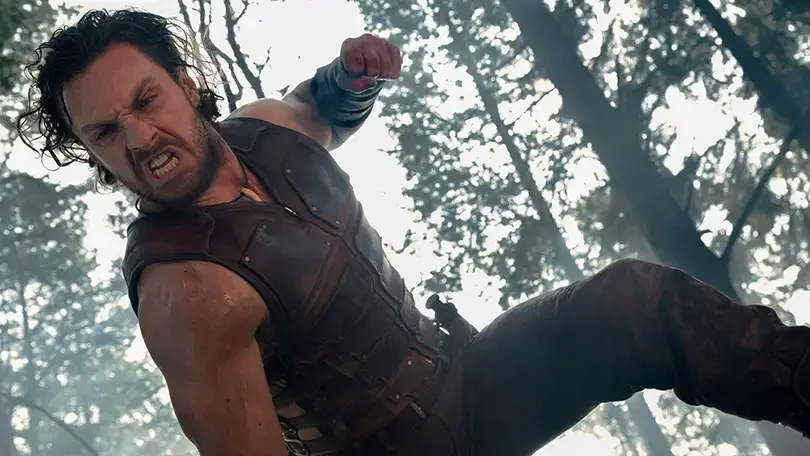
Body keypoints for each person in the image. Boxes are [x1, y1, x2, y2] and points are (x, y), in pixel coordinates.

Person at [17, 8, 810, 456]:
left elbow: (322, 109)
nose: (139, 139)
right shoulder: (185, 293)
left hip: (470, 383)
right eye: (105, 132)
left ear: (187, 85)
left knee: (637, 303)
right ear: (91, 150)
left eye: (146, 100)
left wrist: (353, 76)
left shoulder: (261, 131)